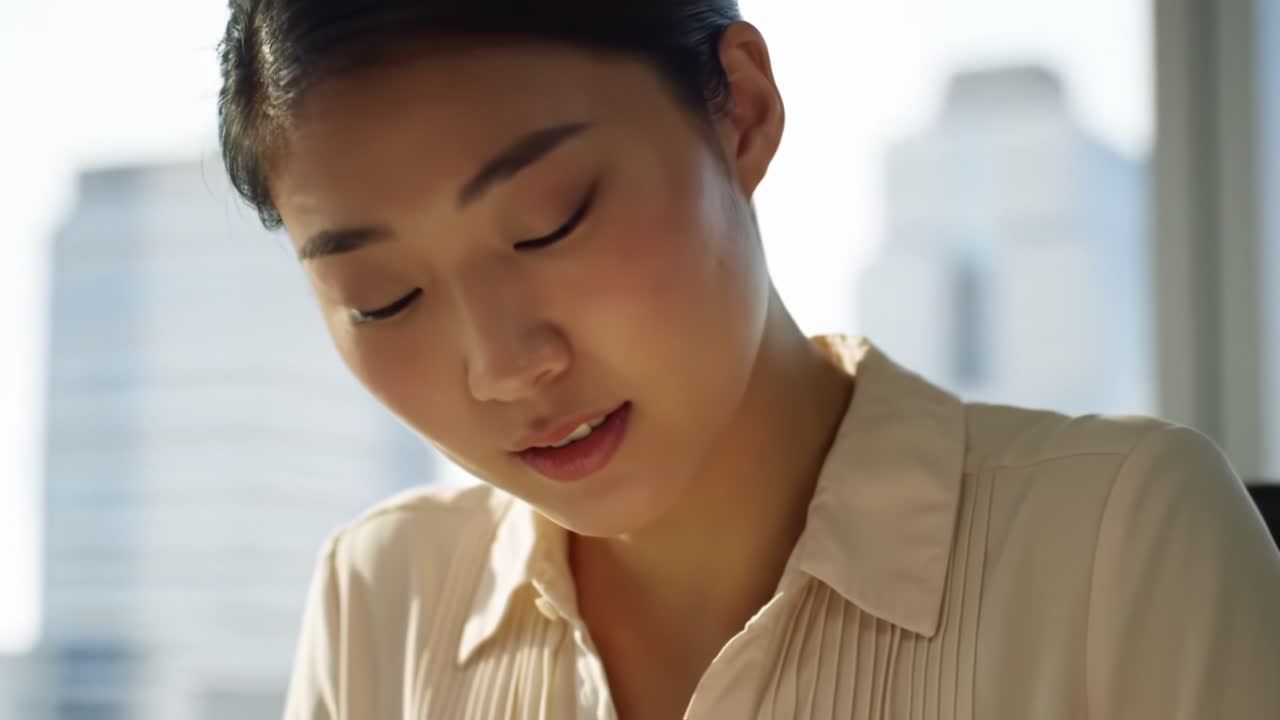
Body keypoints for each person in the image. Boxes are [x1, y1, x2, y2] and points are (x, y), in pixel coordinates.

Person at [215, 1, 1280, 718]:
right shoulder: (382, 602)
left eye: (550, 221)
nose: (503, 367)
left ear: (741, 109)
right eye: (382, 298)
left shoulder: (1118, 549)